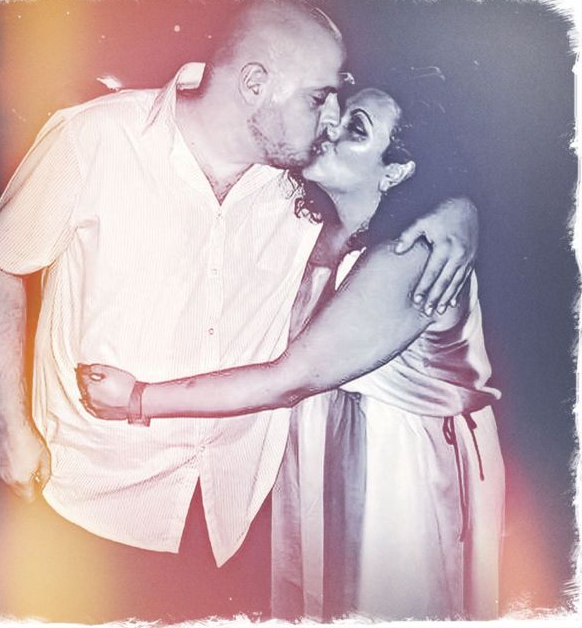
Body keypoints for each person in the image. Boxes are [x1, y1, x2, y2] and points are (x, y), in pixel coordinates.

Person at [0, 0, 479, 623]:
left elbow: (384, 207)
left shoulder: (295, 182)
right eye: (319, 98)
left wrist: (459, 210)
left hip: (235, 503)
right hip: (98, 492)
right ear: (255, 84)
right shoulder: (95, 138)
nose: (329, 118)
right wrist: (10, 428)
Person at [77, 87, 505, 621]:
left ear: (395, 171)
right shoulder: (313, 223)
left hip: (401, 463)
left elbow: (290, 378)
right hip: (320, 441)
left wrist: (139, 399)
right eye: (336, 114)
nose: (330, 128)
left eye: (357, 129)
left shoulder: (414, 252)